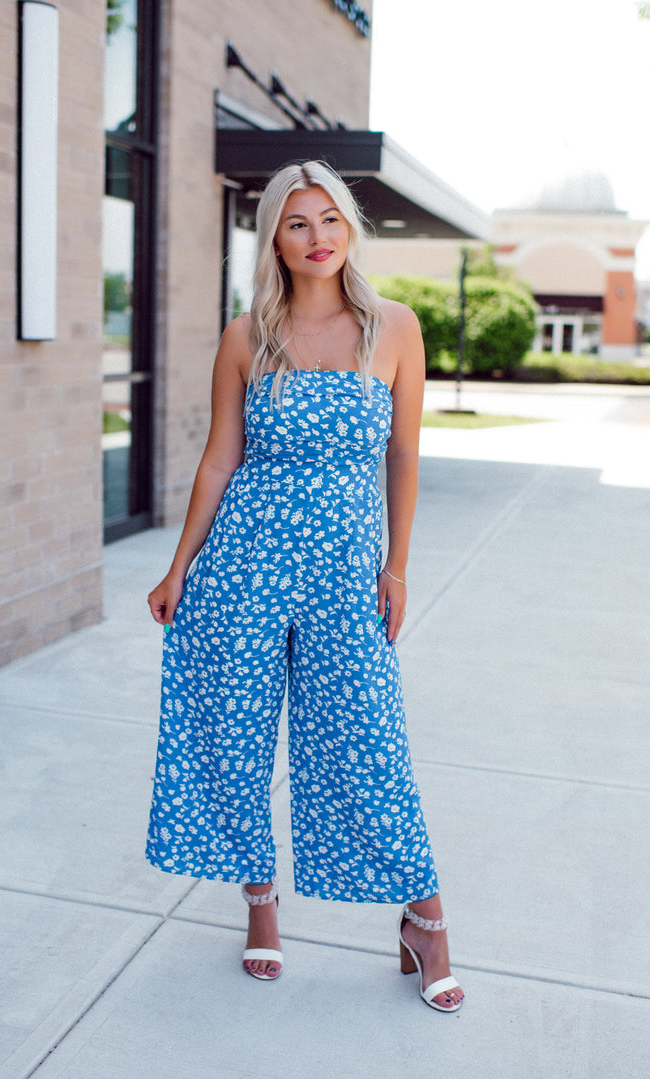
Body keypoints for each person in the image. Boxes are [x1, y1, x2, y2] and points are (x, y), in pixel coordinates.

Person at [146, 161, 464, 1012]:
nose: (318, 236)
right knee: (237, 740)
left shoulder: (393, 327)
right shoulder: (247, 334)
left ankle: (424, 919)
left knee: (369, 741)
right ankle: (260, 906)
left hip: (344, 576)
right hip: (241, 569)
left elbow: (404, 456)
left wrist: (395, 566)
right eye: (297, 223)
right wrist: (180, 566)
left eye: (330, 218)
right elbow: (221, 459)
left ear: (349, 228)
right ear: (274, 239)